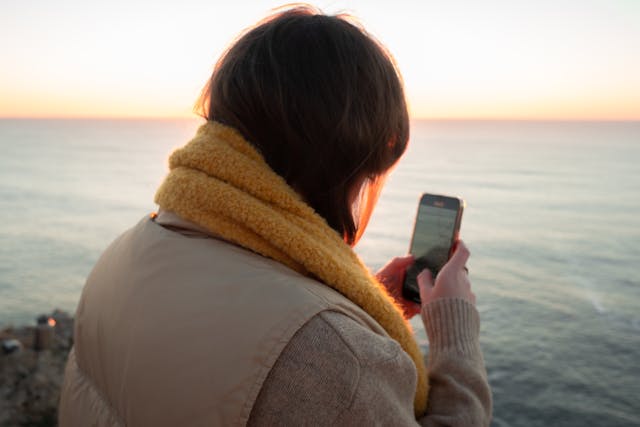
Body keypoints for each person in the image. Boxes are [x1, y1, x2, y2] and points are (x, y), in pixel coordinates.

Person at [59, 5, 491, 426]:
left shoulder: (127, 251)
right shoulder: (335, 358)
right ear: (356, 158)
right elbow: (303, 361)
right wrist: (455, 336)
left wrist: (359, 304)